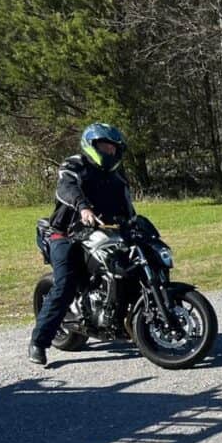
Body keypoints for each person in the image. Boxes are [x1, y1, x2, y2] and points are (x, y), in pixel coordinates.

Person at [28, 123, 134, 365]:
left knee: (129, 268)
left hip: (99, 234)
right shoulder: (74, 164)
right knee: (65, 283)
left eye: (112, 148)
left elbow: (127, 207)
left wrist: (134, 224)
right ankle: (38, 342)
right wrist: (82, 207)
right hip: (65, 233)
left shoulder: (116, 177)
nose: (109, 151)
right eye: (104, 146)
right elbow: (66, 187)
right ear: (92, 145)